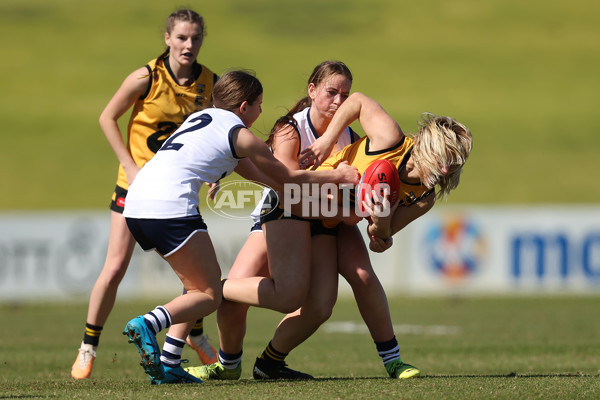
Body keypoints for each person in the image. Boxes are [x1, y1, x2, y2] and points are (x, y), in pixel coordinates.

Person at [185, 64, 426, 381]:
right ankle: (226, 361)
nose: (339, 101)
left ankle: (270, 364)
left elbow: (356, 210)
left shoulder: (352, 138)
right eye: (331, 92)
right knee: (235, 299)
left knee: (325, 303)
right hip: (282, 214)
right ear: (312, 90)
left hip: (325, 221)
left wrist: (374, 222)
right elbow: (287, 189)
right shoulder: (291, 129)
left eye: (344, 94)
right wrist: (339, 194)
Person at [120, 69, 360, 384]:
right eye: (259, 105)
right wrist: (336, 176)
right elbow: (286, 177)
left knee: (200, 290)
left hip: (136, 205)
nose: (261, 112)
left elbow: (263, 179)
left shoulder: (200, 119)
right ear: (244, 106)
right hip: (170, 206)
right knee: (208, 294)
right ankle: (148, 323)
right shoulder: (241, 134)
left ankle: (168, 365)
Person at [256, 92, 473, 379]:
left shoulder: (424, 197)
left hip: (333, 220)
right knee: (257, 286)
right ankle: (212, 309)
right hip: (299, 203)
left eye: (455, 164)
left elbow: (379, 238)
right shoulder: (390, 140)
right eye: (443, 158)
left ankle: (391, 361)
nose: (446, 169)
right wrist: (325, 142)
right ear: (428, 146)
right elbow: (356, 100)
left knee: (345, 289)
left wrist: (382, 216)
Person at [71, 9, 219, 381]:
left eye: (196, 38)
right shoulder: (145, 77)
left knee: (195, 277)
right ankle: (88, 347)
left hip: (175, 190)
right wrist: (130, 165)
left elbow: (214, 132)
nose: (189, 45)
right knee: (116, 266)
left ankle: (195, 335)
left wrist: (214, 174)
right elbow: (108, 117)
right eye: (182, 37)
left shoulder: (210, 83)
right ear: (167, 38)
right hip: (134, 187)